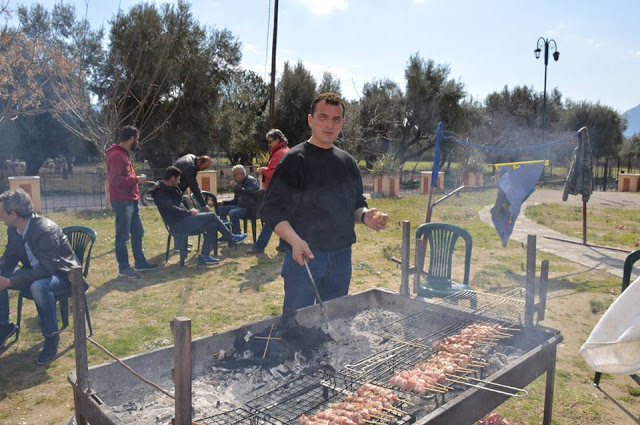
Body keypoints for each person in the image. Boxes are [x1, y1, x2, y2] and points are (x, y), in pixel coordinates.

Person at [261, 92, 388, 315]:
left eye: (336, 119)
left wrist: (365, 215)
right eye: (323, 117)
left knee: (335, 321)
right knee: (296, 324)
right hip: (305, 258)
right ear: (311, 120)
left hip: (341, 258)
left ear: (342, 123)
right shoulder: (294, 160)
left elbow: (356, 203)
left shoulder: (347, 162)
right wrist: (295, 241)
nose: (329, 125)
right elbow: (271, 210)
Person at [0, 189, 88, 364]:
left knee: (38, 286)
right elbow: (9, 258)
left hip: (63, 275)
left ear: (13, 213)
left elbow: (47, 270)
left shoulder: (44, 230)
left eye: (1, 212)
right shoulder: (14, 230)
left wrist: (10, 282)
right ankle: (4, 327)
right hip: (37, 272)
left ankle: (51, 337)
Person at [151, 167, 246, 265]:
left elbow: (177, 206)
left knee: (212, 225)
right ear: (172, 178)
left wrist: (187, 212)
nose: (179, 182)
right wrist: (189, 212)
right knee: (212, 215)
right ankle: (231, 237)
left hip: (183, 220)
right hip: (177, 225)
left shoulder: (170, 188)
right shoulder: (161, 192)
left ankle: (204, 256)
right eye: (178, 179)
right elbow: (171, 209)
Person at [106, 125, 159, 279]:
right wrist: (137, 179)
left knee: (138, 232)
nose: (137, 142)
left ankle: (140, 263)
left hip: (132, 199)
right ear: (131, 138)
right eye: (136, 139)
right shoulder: (116, 155)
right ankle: (124, 268)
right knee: (122, 236)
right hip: (122, 201)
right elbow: (115, 180)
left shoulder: (124, 154)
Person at [246, 129, 290, 255]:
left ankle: (259, 246)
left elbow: (273, 173)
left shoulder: (279, 153)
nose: (269, 144)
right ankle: (283, 245)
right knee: (284, 219)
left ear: (277, 140)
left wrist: (262, 170)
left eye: (270, 141)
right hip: (285, 192)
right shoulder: (286, 151)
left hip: (276, 193)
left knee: (270, 218)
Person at [217, 165, 259, 235]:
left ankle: (237, 235)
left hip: (249, 208)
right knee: (220, 209)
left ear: (241, 174)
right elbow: (235, 201)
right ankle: (227, 233)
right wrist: (224, 203)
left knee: (233, 213)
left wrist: (236, 187)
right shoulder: (239, 184)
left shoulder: (251, 180)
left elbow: (250, 193)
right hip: (239, 206)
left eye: (235, 175)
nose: (234, 178)